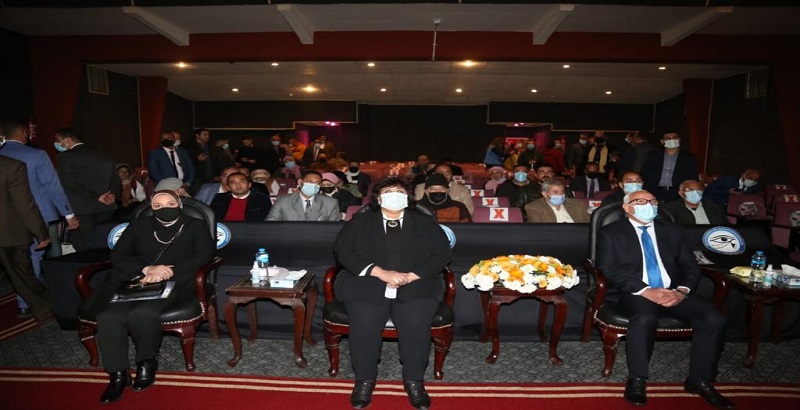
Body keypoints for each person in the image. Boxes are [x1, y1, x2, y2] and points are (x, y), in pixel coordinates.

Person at [596, 190, 734, 409]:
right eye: (641, 201)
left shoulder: (673, 230)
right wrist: (645, 290)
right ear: (627, 207)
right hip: (634, 293)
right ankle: (637, 379)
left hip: (673, 291)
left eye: (652, 201)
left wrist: (681, 291)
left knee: (714, 319)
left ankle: (700, 380)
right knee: (645, 318)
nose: (648, 205)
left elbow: (690, 266)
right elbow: (608, 269)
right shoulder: (610, 232)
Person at [81, 190, 214, 404]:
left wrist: (169, 272)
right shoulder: (138, 225)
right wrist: (146, 269)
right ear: (151, 209)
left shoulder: (194, 225)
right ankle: (118, 373)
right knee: (108, 316)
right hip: (135, 280)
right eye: (158, 206)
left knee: (143, 312)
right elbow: (118, 255)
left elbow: (205, 254)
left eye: (170, 204)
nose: (165, 208)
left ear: (180, 205)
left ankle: (146, 362)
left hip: (175, 281)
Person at [333, 177, 451, 410]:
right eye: (388, 191)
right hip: (368, 282)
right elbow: (343, 251)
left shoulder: (425, 222)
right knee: (364, 326)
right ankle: (364, 380)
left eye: (400, 191)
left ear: (408, 198)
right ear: (378, 198)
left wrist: (411, 276)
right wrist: (381, 273)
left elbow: (441, 254)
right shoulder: (361, 221)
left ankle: (414, 381)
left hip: (416, 283)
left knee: (416, 326)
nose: (394, 195)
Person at [0, 120, 78, 316]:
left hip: (5, 222)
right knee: (34, 257)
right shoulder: (36, 155)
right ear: (24, 133)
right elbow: (53, 187)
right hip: (36, 215)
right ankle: (34, 302)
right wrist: (68, 214)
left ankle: (24, 302)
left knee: (16, 265)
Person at [0, 146, 53, 323]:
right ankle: (44, 307)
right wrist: (41, 232)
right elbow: (24, 204)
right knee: (22, 275)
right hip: (9, 233)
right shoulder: (12, 166)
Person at [55, 128, 122, 251]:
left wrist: (97, 196)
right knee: (104, 246)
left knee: (84, 249)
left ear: (68, 140)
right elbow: (116, 179)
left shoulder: (65, 156)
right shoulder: (101, 154)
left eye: (58, 141)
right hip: (106, 207)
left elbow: (69, 183)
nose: (56, 144)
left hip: (82, 210)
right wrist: (112, 194)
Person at [641, 131, 699, 203]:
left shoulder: (688, 157)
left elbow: (692, 176)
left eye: (674, 138)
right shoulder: (653, 155)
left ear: (679, 139)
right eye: (668, 138)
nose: (672, 140)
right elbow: (646, 173)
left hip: (677, 192)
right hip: (655, 191)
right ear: (662, 141)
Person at [266, 170, 340, 221]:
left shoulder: (330, 203)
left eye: (317, 183)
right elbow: (271, 223)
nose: (314, 185)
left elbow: (333, 228)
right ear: (300, 182)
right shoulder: (283, 200)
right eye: (310, 182)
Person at [525, 178, 589, 223]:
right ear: (545, 194)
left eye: (562, 191)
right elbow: (537, 230)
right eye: (555, 192)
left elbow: (589, 225)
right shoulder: (534, 208)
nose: (560, 195)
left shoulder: (577, 204)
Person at [662, 180, 727, 225]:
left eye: (698, 190)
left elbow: (725, 227)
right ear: (681, 193)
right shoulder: (670, 209)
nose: (695, 193)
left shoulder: (714, 207)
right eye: (690, 190)